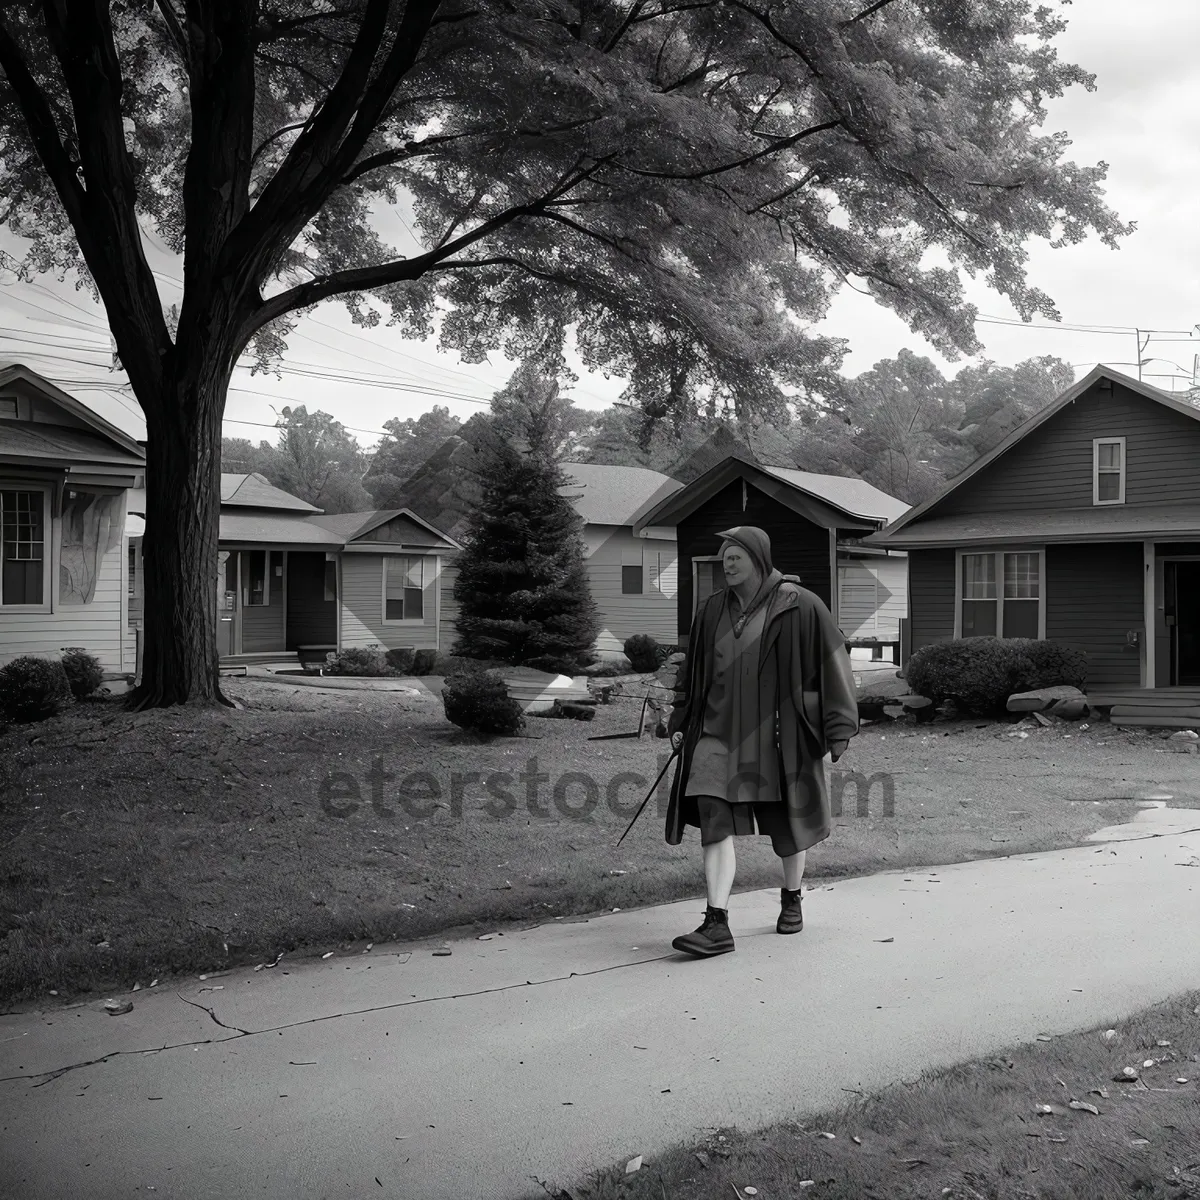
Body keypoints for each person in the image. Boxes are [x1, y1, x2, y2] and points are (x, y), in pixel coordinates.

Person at [664, 526, 858, 957]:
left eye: (735, 557)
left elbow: (834, 661)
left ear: (759, 558)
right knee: (712, 818)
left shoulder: (801, 605)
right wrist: (681, 717)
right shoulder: (711, 610)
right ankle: (716, 922)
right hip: (716, 734)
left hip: (777, 735)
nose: (727, 564)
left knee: (788, 823)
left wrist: (839, 726)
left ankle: (792, 897)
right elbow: (691, 673)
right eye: (723, 558)